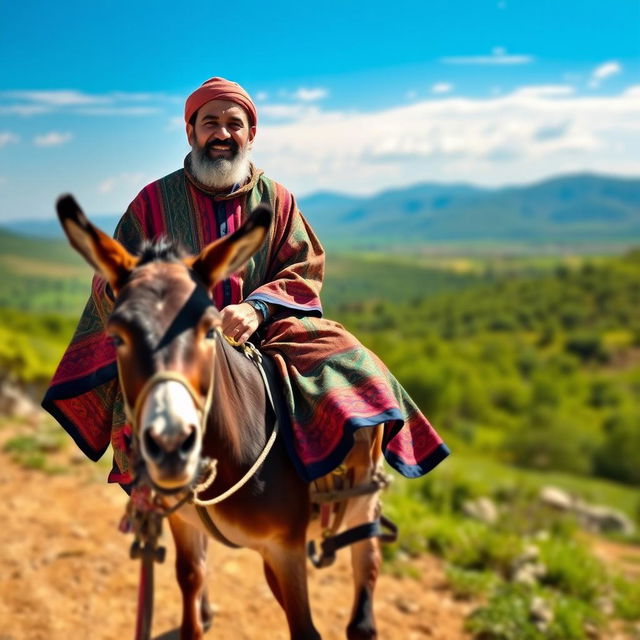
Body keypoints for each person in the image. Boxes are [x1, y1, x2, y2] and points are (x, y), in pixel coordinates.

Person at [43, 77, 449, 485]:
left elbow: (303, 267)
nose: (222, 133)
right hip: (176, 340)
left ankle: (347, 487)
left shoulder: (277, 199)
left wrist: (257, 308)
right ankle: (155, 494)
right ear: (190, 131)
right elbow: (117, 274)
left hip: (268, 329)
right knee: (143, 387)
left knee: (353, 361)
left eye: (234, 124)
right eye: (210, 123)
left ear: (251, 134)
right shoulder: (151, 202)